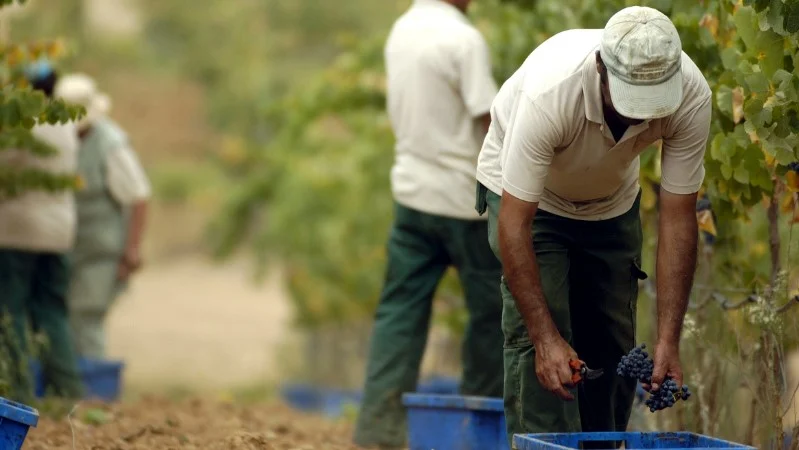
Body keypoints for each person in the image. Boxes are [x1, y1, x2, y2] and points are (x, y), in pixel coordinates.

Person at [474, 6, 711, 447]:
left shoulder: (691, 94)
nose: (641, 118)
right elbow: (514, 224)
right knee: (544, 350)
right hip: (532, 202)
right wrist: (545, 339)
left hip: (610, 201)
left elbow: (678, 217)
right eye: (631, 102)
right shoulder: (550, 94)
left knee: (612, 350)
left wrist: (668, 339)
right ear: (601, 69)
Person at [353, 0, 503, 448]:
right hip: (465, 204)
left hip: (412, 198)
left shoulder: (402, 30)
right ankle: (477, 433)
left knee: (400, 312)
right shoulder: (463, 39)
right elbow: (489, 120)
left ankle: (379, 430)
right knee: (491, 314)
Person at [0, 60, 84, 401]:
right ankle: (66, 389)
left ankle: (18, 391)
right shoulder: (64, 124)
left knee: (10, 312)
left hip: (17, 230)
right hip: (59, 230)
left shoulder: (18, 122)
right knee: (51, 311)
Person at [54, 73, 151, 360]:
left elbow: (138, 196)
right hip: (65, 247)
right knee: (60, 319)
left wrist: (132, 249)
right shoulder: (58, 138)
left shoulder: (111, 144)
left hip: (99, 250)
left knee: (86, 318)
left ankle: (91, 381)